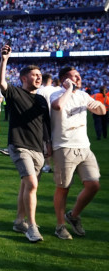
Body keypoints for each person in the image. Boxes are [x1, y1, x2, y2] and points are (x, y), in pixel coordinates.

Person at [0, 44, 51, 243]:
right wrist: (4, 60)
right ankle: (32, 226)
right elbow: (0, 82)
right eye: (35, 75)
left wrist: (49, 145)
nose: (39, 77)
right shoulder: (15, 93)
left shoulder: (42, 100)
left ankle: (19, 221)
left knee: (25, 186)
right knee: (32, 184)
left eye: (40, 75)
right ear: (24, 78)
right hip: (19, 146)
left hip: (38, 149)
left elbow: (45, 125)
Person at [49, 67, 105, 239]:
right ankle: (60, 226)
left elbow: (101, 111)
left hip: (84, 146)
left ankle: (73, 216)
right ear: (65, 79)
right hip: (64, 147)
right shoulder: (56, 94)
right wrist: (69, 89)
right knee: (63, 188)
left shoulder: (83, 95)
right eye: (75, 76)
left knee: (94, 185)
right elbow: (57, 106)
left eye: (79, 75)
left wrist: (100, 106)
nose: (80, 78)